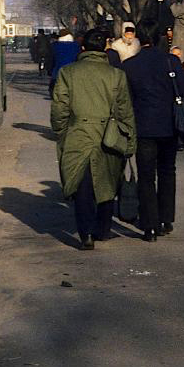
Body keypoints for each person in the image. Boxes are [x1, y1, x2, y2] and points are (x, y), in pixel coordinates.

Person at [50, 28, 136, 250]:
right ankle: (103, 229)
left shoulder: (68, 73)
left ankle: (85, 233)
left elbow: (60, 108)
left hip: (77, 136)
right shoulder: (116, 75)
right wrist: (130, 141)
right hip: (109, 137)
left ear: (83, 48)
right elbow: (125, 111)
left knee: (82, 185)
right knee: (107, 183)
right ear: (105, 48)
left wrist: (60, 132)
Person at [121, 19, 184, 241]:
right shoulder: (171, 61)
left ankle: (149, 226)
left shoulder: (130, 66)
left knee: (146, 176)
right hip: (169, 126)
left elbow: (125, 99)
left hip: (143, 127)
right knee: (167, 172)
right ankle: (166, 218)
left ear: (139, 39)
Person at [49, 29, 80, 97]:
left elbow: (51, 60)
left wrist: (50, 71)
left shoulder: (55, 46)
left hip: (58, 72)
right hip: (73, 73)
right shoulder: (76, 46)